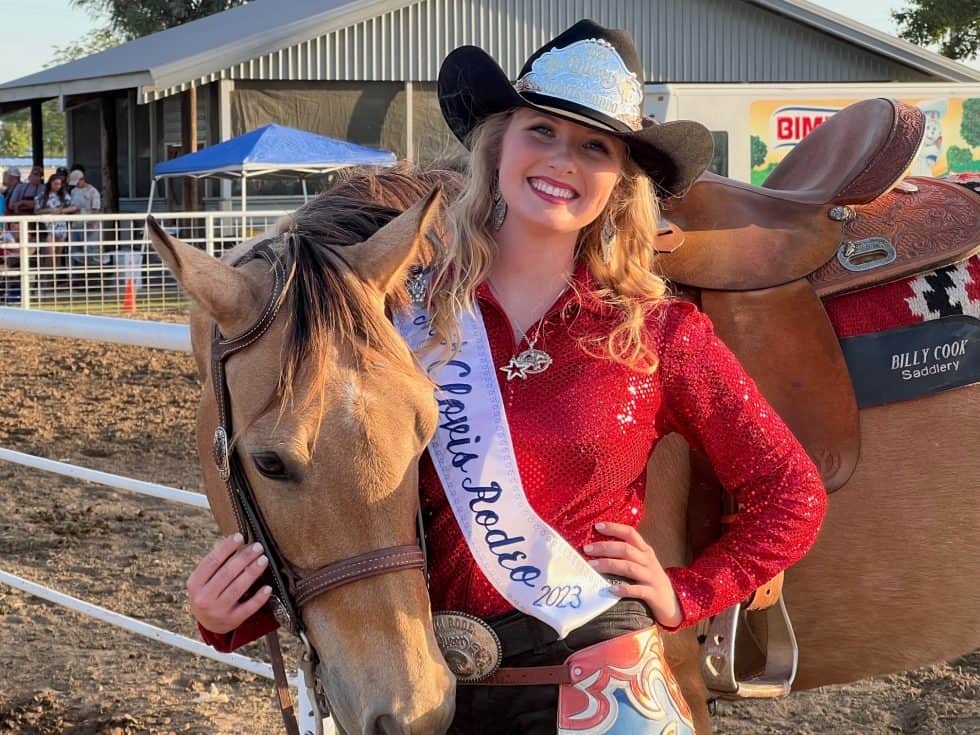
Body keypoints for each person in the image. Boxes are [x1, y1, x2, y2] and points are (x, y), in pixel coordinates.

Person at [186, 20, 828, 734]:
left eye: (595, 147)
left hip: (602, 690)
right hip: (436, 695)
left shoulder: (658, 335)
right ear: (498, 143)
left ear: (619, 181)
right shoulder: (395, 318)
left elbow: (792, 493)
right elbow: (338, 507)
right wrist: (227, 617)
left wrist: (688, 592)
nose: (563, 161)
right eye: (541, 132)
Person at [34, 174, 77, 292]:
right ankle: (46, 281)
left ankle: (54, 282)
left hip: (61, 227)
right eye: (55, 183)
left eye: (59, 184)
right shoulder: (42, 196)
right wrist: (49, 210)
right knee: (49, 255)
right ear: (50, 183)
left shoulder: (64, 195)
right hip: (49, 227)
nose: (57, 186)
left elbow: (73, 207)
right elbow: (37, 211)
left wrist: (62, 210)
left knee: (58, 255)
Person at [67, 168, 107, 280]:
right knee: (75, 251)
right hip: (76, 224)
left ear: (82, 179)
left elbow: (96, 209)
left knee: (92, 251)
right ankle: (76, 278)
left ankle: (93, 278)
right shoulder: (73, 191)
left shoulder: (93, 191)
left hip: (89, 224)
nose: (77, 185)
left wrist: (92, 225)